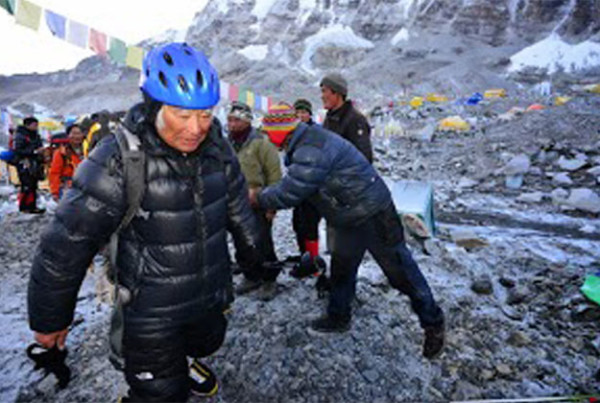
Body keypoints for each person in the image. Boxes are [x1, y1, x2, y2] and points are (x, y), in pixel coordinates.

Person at [28, 43, 261, 401]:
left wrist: (254, 258)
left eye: (205, 114)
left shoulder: (219, 148)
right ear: (153, 106)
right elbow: (65, 244)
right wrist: (49, 319)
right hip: (150, 312)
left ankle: (185, 363)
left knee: (206, 342)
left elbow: (237, 210)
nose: (196, 127)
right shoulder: (118, 159)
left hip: (208, 295)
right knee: (160, 393)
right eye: (182, 115)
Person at [252, 103, 445, 359]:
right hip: (348, 214)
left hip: (373, 213)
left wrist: (257, 198)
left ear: (279, 131)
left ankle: (433, 322)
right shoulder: (305, 139)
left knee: (400, 271)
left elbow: (291, 190)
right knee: (342, 266)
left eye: (268, 132)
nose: (266, 137)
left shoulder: (311, 148)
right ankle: (338, 315)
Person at [226, 101, 282, 298]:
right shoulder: (227, 144)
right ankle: (251, 276)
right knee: (242, 242)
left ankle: (269, 279)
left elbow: (274, 175)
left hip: (258, 200)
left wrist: (271, 206)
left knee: (263, 242)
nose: (231, 124)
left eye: (236, 120)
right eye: (229, 120)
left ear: (246, 122)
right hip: (234, 203)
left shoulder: (262, 143)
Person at [288, 99, 325, 277]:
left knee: (310, 225)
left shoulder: (316, 133)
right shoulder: (294, 134)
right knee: (297, 223)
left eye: (304, 112)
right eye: (297, 113)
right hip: (299, 185)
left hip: (313, 188)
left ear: (309, 114)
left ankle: (314, 263)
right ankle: (305, 256)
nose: (301, 116)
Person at [320, 73, 373, 163]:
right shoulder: (330, 118)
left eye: (324, 91)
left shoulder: (355, 120)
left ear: (337, 93)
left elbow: (364, 160)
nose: (322, 96)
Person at [14, 116, 45, 214]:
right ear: (27, 125)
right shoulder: (20, 136)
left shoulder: (36, 135)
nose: (36, 127)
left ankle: (32, 206)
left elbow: (39, 145)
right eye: (34, 125)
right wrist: (34, 151)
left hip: (35, 163)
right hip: (24, 163)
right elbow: (18, 150)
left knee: (34, 185)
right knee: (26, 185)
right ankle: (23, 207)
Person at [48, 124, 84, 201]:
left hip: (84, 187)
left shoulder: (88, 151)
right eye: (74, 133)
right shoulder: (61, 153)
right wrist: (55, 192)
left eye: (79, 133)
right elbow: (54, 173)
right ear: (68, 135)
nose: (77, 136)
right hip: (67, 187)